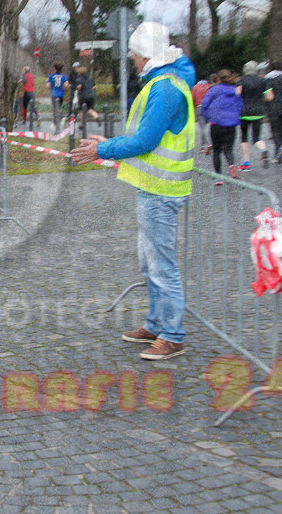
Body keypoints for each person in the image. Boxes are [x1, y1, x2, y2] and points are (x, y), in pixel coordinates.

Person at [71, 21, 195, 361]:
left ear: (146, 54)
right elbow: (144, 138)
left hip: (162, 190)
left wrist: (103, 150)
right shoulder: (163, 83)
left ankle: (172, 334)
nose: (134, 60)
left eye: (136, 54)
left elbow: (145, 140)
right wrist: (108, 144)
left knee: (161, 265)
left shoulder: (165, 88)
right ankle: (157, 324)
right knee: (150, 261)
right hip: (155, 187)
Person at [200, 69, 243, 183]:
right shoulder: (235, 90)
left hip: (217, 124)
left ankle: (218, 177)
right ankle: (232, 166)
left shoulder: (214, 90)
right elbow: (240, 107)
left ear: (218, 79)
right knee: (229, 150)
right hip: (231, 124)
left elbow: (204, 105)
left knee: (217, 151)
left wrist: (209, 117)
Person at [236, 60, 267, 170]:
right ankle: (263, 149)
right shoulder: (262, 81)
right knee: (256, 138)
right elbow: (268, 97)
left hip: (244, 113)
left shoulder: (241, 81)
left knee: (244, 138)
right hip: (258, 112)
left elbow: (237, 94)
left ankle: (246, 163)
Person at [191, 73, 216, 154]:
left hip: (198, 108)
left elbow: (192, 99)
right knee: (207, 126)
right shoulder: (209, 86)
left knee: (202, 127)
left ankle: (206, 145)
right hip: (208, 108)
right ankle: (205, 145)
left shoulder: (195, 87)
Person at [46, 62, 69, 132]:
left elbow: (47, 86)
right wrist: (63, 88)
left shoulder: (51, 76)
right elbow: (66, 85)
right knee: (57, 109)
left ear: (54, 68)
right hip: (61, 95)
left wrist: (51, 86)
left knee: (55, 110)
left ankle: (59, 121)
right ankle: (56, 123)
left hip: (54, 95)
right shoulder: (63, 76)